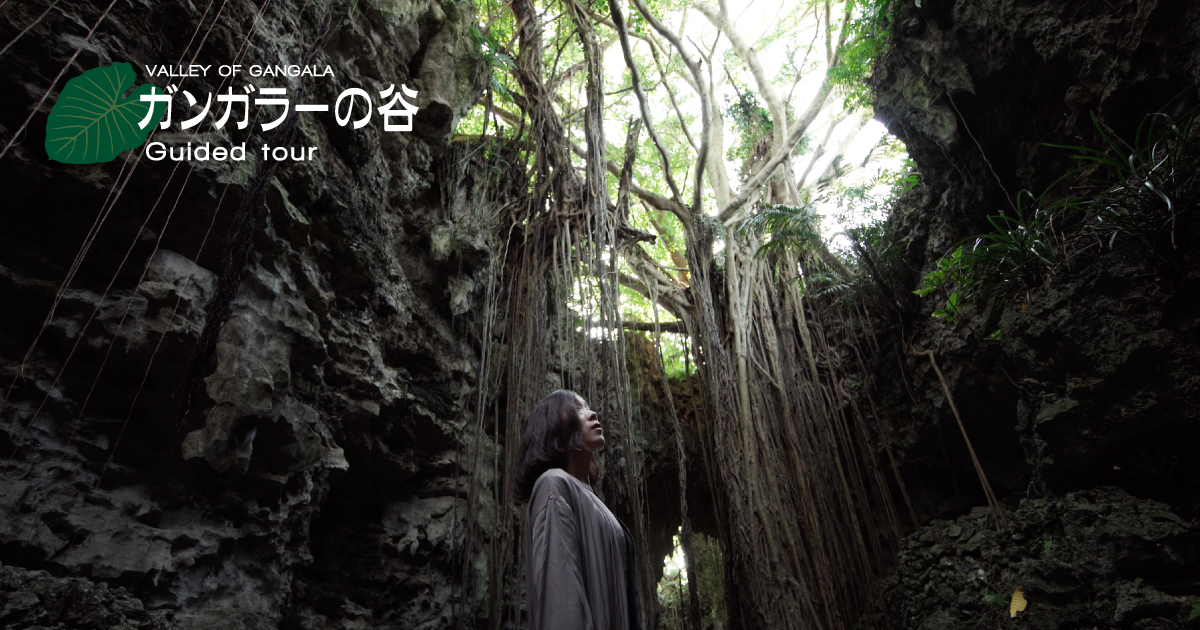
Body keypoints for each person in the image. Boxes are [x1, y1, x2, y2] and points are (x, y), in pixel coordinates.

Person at [514, 390, 642, 630]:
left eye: (587, 406)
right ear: (553, 423)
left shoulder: (589, 497)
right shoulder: (554, 485)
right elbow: (561, 601)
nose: (592, 413)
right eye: (577, 408)